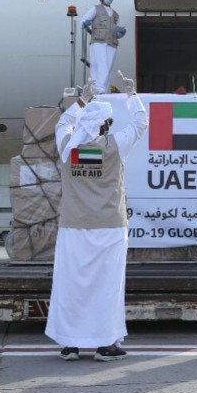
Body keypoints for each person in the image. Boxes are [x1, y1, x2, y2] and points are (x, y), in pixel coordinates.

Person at [46, 75, 148, 362]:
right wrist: (132, 96)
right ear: (106, 124)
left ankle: (70, 345)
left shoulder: (68, 148)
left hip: (73, 227)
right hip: (109, 229)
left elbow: (62, 123)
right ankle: (106, 345)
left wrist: (83, 99)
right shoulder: (115, 146)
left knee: (71, 285)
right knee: (107, 288)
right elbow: (141, 124)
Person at [81, 0, 126, 91]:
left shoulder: (115, 14)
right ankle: (98, 87)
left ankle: (104, 89)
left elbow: (117, 32)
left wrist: (121, 32)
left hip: (112, 43)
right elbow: (83, 20)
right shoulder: (95, 9)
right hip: (99, 42)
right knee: (101, 65)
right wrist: (86, 23)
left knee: (108, 68)